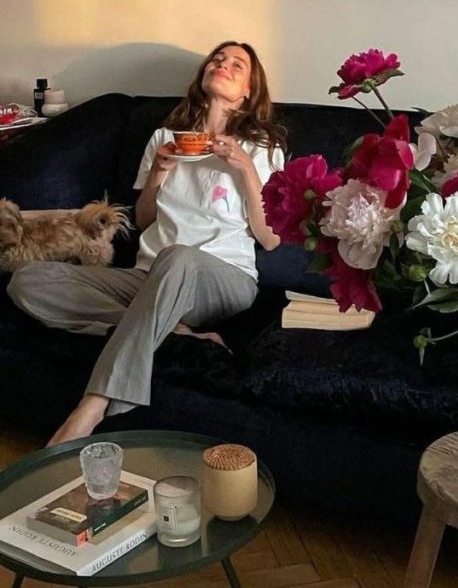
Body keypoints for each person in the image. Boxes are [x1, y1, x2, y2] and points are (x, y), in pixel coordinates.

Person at [7, 41, 286, 446]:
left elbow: (271, 239)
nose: (222, 64)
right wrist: (157, 173)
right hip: (149, 276)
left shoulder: (261, 147)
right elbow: (143, 222)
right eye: (217, 58)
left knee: (179, 257)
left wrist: (244, 169)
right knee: (27, 280)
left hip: (224, 279)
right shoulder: (164, 138)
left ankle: (93, 406)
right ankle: (177, 333)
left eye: (237, 64)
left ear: (248, 91)